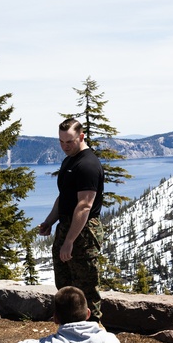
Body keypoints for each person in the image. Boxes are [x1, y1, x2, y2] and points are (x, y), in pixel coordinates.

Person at [37, 118, 105, 322]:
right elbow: (64, 197)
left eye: (69, 142)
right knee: (65, 286)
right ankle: (68, 328)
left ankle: (94, 331)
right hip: (67, 226)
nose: (65, 147)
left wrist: (69, 241)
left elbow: (84, 206)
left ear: (81, 137)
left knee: (86, 288)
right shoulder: (69, 161)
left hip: (83, 232)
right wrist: (49, 221)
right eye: (61, 142)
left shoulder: (88, 165)